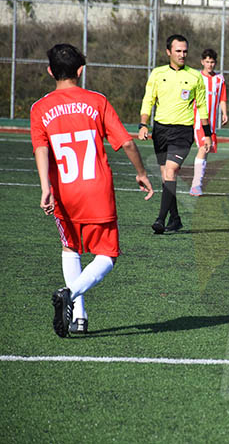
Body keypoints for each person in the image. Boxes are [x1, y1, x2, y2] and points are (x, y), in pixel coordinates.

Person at [30, 43, 154, 337]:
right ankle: (70, 295)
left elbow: (41, 148)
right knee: (107, 255)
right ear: (81, 70)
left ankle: (79, 317)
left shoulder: (39, 108)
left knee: (70, 247)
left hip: (64, 192)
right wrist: (141, 173)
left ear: (50, 72)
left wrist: (46, 187)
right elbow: (126, 142)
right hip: (97, 191)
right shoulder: (97, 101)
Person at [138, 34, 211, 233]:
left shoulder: (195, 76)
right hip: (160, 130)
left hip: (182, 131)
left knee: (170, 171)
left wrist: (207, 135)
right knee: (166, 176)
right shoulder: (157, 74)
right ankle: (176, 219)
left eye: (185, 51)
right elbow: (148, 100)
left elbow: (202, 106)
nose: (182, 55)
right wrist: (143, 124)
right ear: (168, 52)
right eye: (178, 51)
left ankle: (160, 220)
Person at [190, 48, 228, 196]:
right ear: (202, 62)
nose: (209, 64)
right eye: (207, 62)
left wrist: (224, 113)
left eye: (212, 62)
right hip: (198, 122)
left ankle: (197, 185)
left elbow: (222, 98)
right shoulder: (196, 77)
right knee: (203, 148)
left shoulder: (220, 79)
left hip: (211, 124)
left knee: (206, 151)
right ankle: (196, 185)